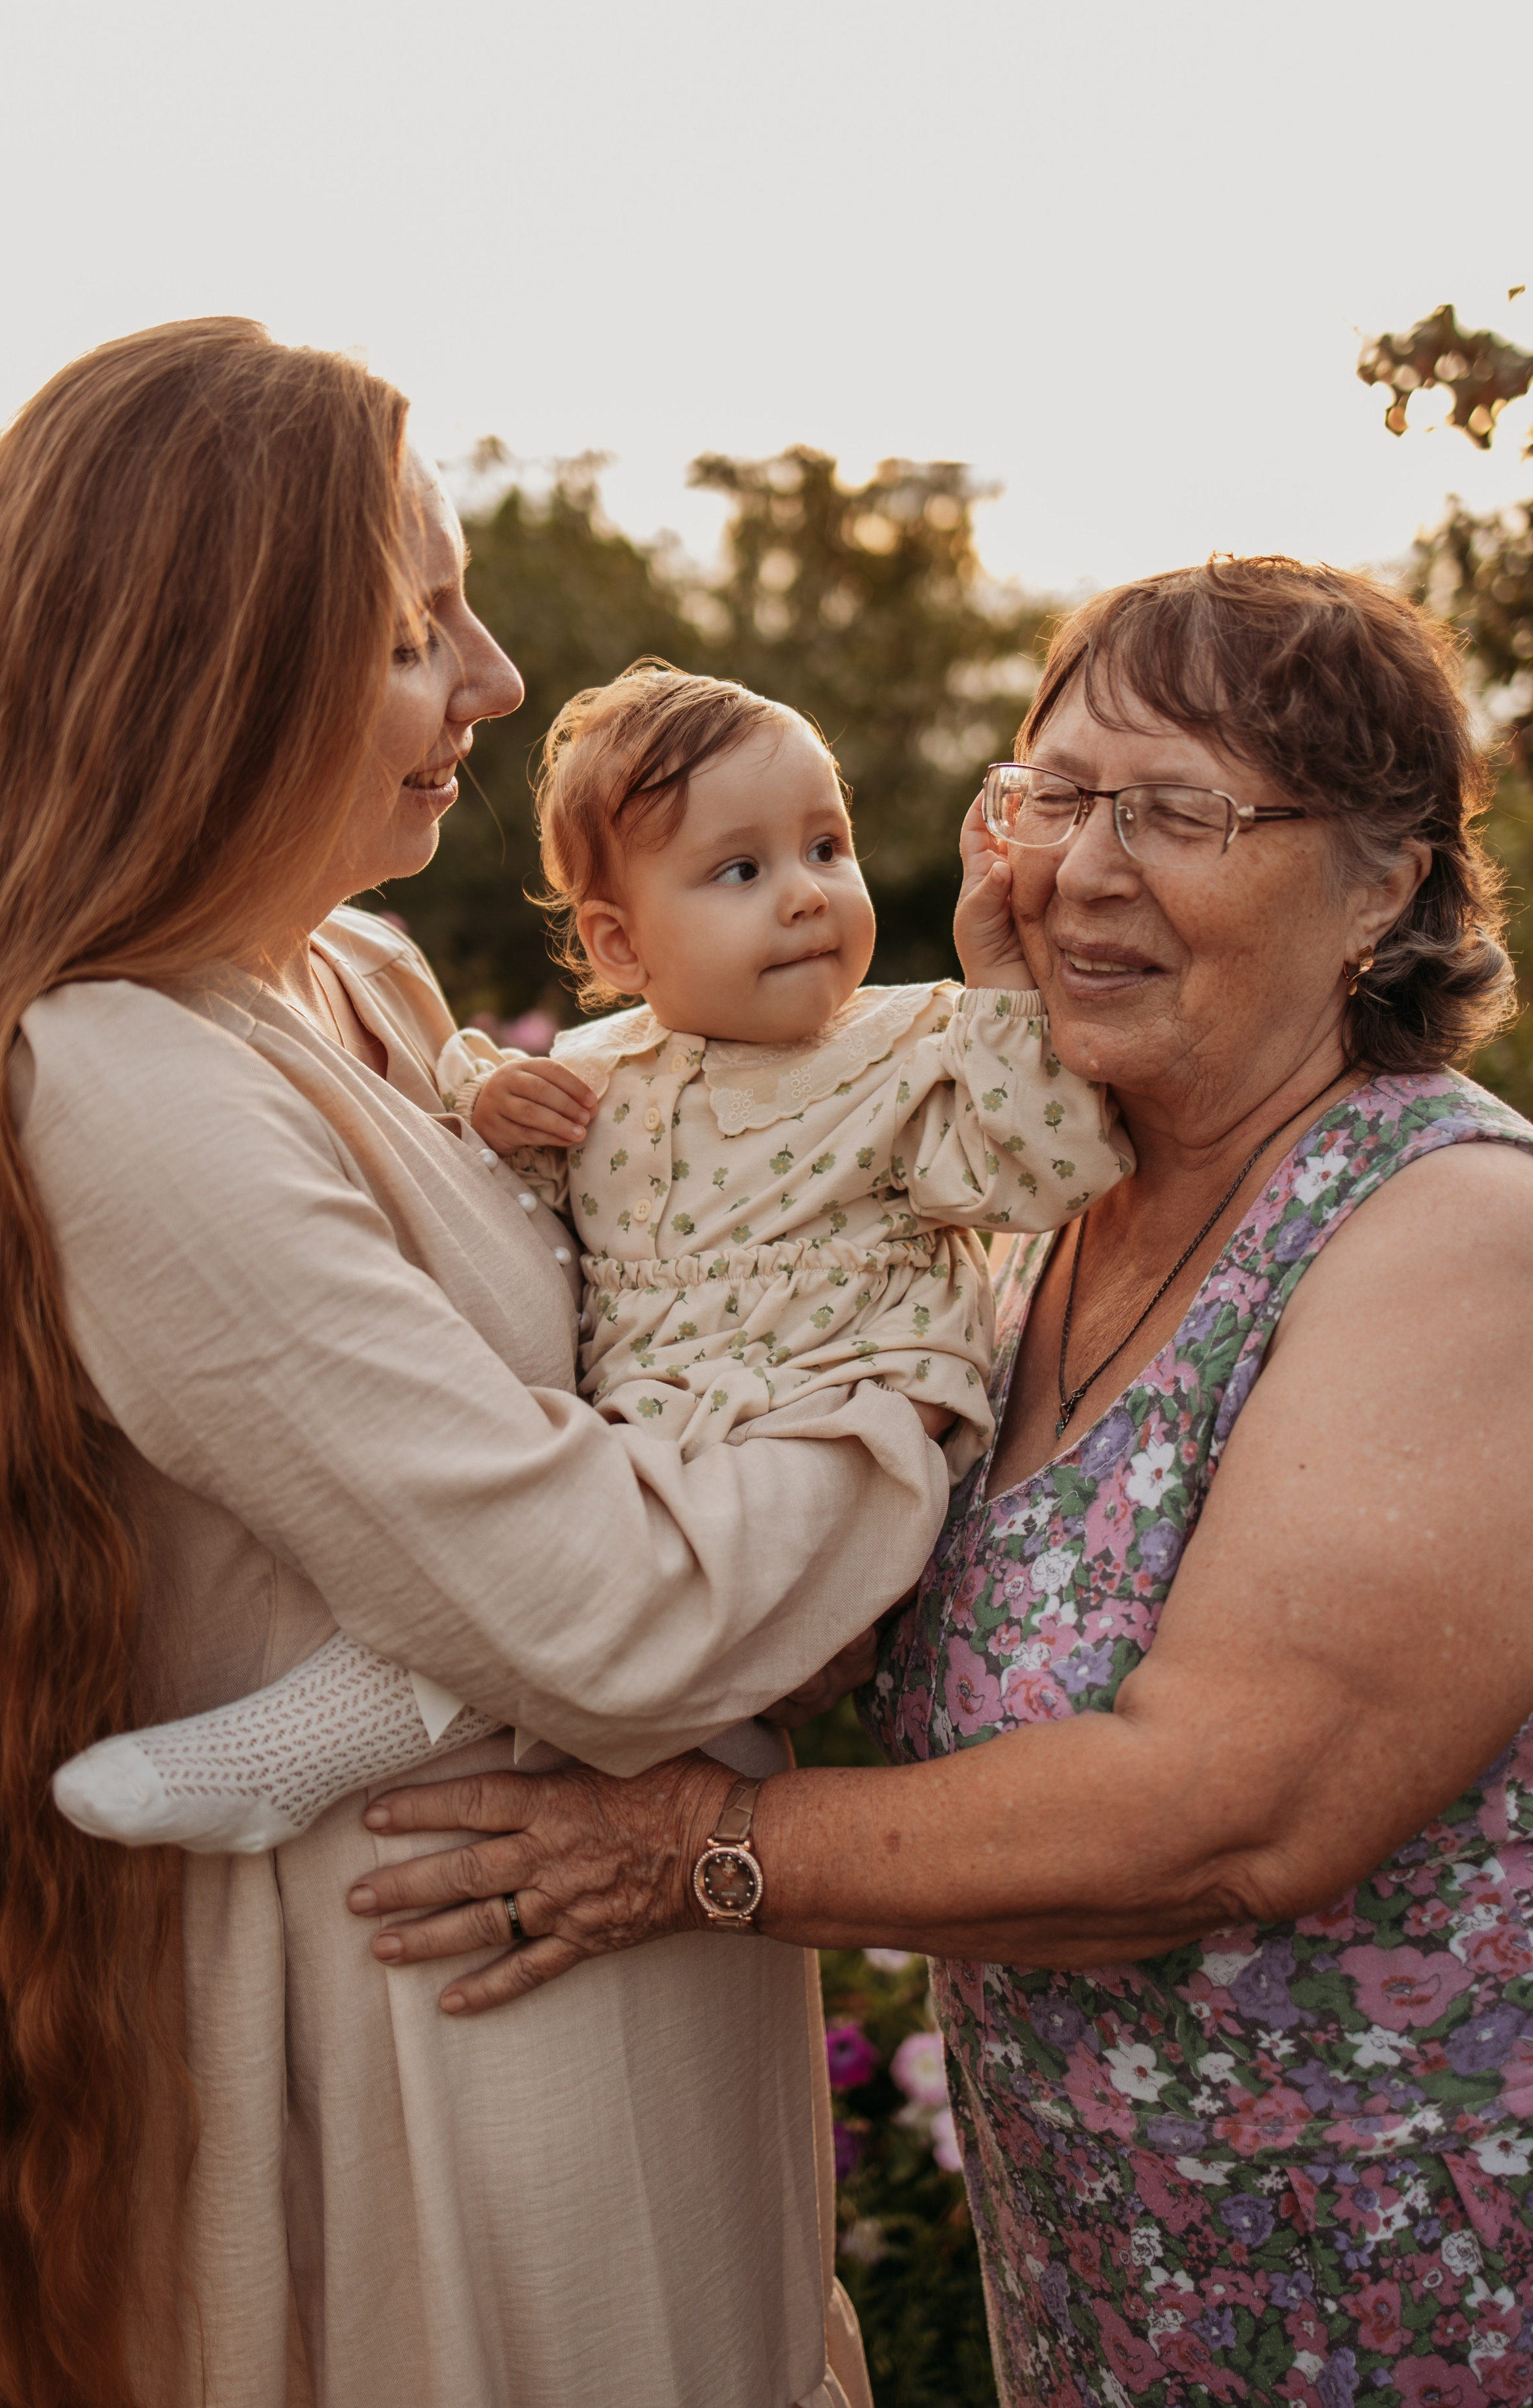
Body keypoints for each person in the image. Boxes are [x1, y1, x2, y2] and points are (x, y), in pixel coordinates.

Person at [0, 318, 953, 2408]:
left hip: (615, 1965)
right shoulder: (116, 1084)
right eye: (414, 628)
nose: (498, 682)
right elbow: (596, 1613)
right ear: (213, 678)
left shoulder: (352, 974)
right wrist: (911, 1400)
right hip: (439, 2049)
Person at [345, 558, 1533, 2405]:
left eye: (1179, 810)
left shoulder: (1458, 1234)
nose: (1081, 867)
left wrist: (685, 1857)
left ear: (1383, 880)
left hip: (1407, 2295)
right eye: (1054, 796)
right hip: (1104, 2294)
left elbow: (1228, 1813)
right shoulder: (1035, 1222)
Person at [52, 656, 1127, 1857]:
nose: (806, 896)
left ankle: (293, 1753)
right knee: (547, 1593)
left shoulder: (910, 1047)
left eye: (828, 847)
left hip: (831, 1418)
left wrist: (1003, 990)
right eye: (740, 869)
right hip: (654, 1437)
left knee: (601, 1603)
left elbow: (1049, 1172)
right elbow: (488, 1213)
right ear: (619, 941)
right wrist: (497, 1105)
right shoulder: (599, 1073)